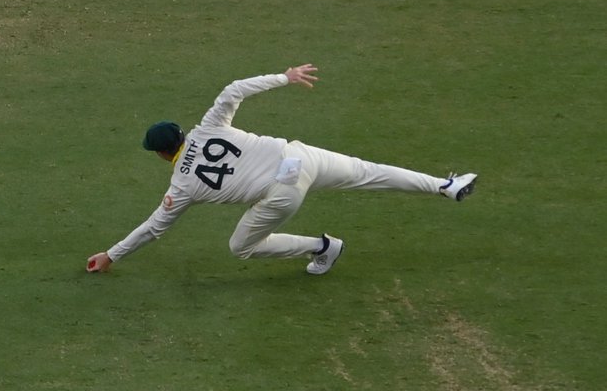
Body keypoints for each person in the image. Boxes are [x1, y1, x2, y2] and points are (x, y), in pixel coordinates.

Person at [86, 64, 477, 277]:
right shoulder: (208, 127)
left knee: (241, 247)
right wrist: (285, 78)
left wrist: (112, 255)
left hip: (282, 192)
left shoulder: (183, 184)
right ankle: (446, 185)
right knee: (368, 172)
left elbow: (154, 228)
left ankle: (323, 247)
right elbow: (233, 88)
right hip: (300, 155)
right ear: (183, 134)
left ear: (160, 154)